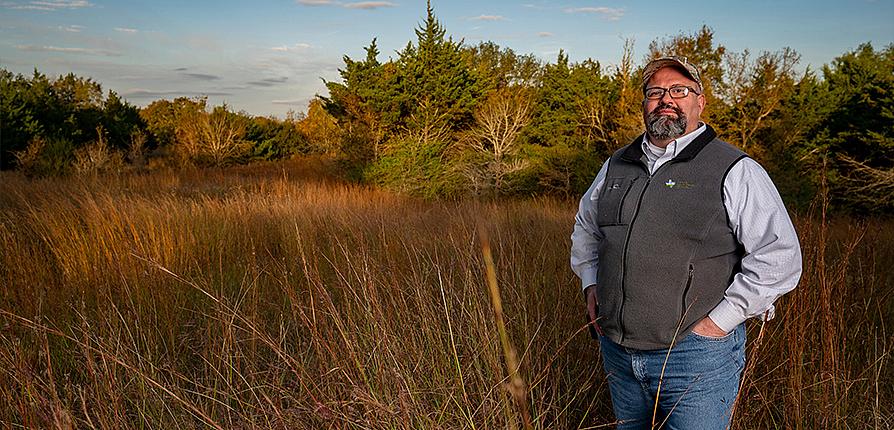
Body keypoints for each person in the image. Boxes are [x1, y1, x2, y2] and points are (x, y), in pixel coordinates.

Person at [570, 56, 802, 429]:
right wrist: (591, 282)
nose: (667, 99)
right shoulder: (616, 164)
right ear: (644, 103)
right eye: (655, 92)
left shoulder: (734, 168)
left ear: (699, 102)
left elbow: (779, 256)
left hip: (695, 357)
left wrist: (718, 324)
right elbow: (586, 226)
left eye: (679, 90)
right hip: (617, 351)